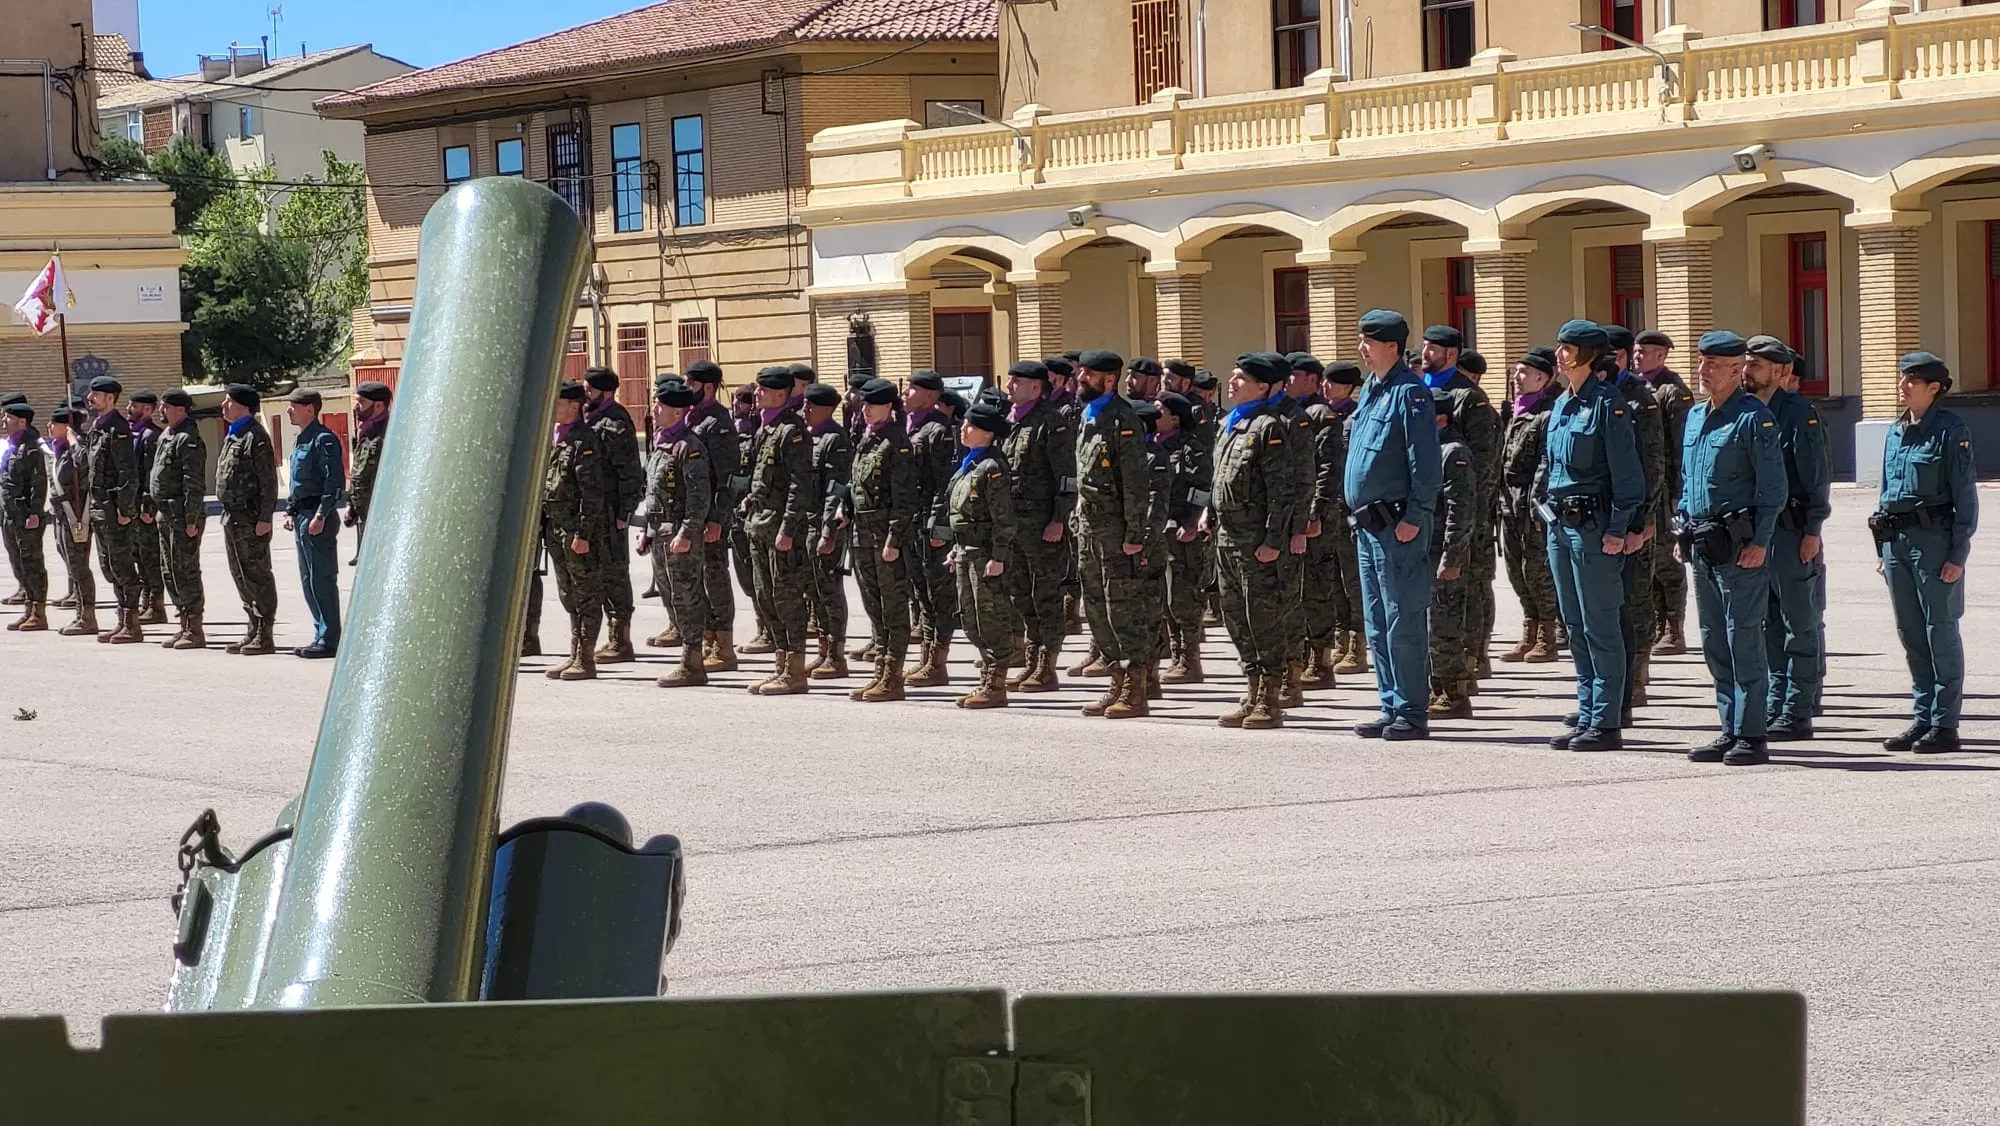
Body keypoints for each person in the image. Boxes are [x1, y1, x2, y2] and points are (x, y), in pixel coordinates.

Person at [1675, 331, 1784, 765]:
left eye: (1714, 365)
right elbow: (1689, 481)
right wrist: (1682, 531)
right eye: (1701, 362)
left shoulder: (1754, 418)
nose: (1704, 371)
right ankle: (1728, 727)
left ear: (1737, 369)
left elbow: (1773, 488)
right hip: (1703, 544)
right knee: (1713, 639)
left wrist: (1761, 541)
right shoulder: (1696, 417)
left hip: (1740, 547)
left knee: (1744, 640)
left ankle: (1752, 734)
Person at [1538, 323, 1645, 751]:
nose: (1560, 355)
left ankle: (1606, 719)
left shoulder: (1608, 404)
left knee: (1601, 623)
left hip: (1594, 526)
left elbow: (1628, 473)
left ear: (1587, 355)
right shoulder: (1562, 403)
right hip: (1560, 525)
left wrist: (1620, 528)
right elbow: (1550, 467)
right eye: (1559, 348)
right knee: (1575, 625)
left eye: (1568, 349)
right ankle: (1587, 710)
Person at [1873, 352, 1978, 754]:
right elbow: (1885, 495)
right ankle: (1923, 716)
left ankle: (1945, 724)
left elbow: (1965, 497)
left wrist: (1958, 554)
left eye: (1911, 381)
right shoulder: (1896, 431)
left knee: (1940, 631)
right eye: (1902, 380)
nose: (1903, 387)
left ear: (1934, 388)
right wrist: (1882, 548)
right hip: (1897, 543)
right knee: (1911, 633)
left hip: (1934, 543)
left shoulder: (1951, 430)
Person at [1347, 311, 1443, 740]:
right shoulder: (1371, 390)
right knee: (1376, 620)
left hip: (1396, 524)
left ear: (1392, 347)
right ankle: (1390, 703)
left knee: (1402, 617)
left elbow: (1424, 461)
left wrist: (1416, 516)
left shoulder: (1410, 394)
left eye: (1370, 341)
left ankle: (1411, 709)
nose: (1362, 348)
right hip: (1367, 526)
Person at [1742, 336, 1830, 740]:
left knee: (1801, 623)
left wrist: (1813, 530)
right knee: (1767, 624)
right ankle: (1777, 702)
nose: (1747, 371)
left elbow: (1815, 477)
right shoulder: (1744, 413)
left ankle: (1799, 709)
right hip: (1756, 533)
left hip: (1792, 532)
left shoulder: (1798, 414)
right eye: (1746, 364)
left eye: (1756, 365)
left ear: (1778, 372)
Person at [1208, 353, 1298, 729]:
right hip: (1227, 536)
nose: (1231, 383)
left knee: (1262, 617)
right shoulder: (1230, 424)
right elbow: (1218, 480)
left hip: (1256, 539)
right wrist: (1209, 515)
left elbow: (1282, 492)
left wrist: (1274, 539)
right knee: (1234, 616)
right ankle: (1252, 684)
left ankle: (1270, 695)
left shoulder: (1269, 427)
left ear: (1262, 387)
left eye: (1240, 378)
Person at [1071, 349, 1156, 715]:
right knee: (1097, 607)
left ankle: (1137, 686)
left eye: (1087, 375)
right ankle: (1116, 681)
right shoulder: (1089, 416)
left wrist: (1135, 533)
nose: (1079, 379)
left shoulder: (1122, 419)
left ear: (1109, 379)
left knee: (1122, 608)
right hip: (1089, 528)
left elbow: (1136, 484)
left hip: (1117, 530)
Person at [998, 359, 1076, 691]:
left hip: (1042, 523)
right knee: (1020, 594)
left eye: (1016, 381)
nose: (1009, 386)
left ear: (1035, 387)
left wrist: (1058, 518)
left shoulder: (1051, 423)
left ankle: (1047, 663)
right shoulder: (1009, 422)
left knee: (1045, 595)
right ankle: (1031, 657)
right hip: (1013, 524)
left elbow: (1066, 477)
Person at [740, 365, 817, 695]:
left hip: (781, 530)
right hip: (760, 524)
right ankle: (781, 665)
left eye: (763, 390)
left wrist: (787, 529)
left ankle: (795, 670)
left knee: (787, 599)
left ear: (781, 394)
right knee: (766, 595)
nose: (756, 394)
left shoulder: (791, 431)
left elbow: (800, 486)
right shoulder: (767, 428)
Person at [847, 378, 920, 701]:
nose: (865, 410)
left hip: (885, 536)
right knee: (873, 606)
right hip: (862, 533)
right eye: (863, 405)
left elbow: (904, 500)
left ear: (889, 407)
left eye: (872, 405)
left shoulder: (896, 444)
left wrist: (894, 538)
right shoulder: (867, 440)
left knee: (893, 608)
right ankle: (880, 670)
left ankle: (893, 674)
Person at [946, 399, 1022, 709]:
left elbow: (1003, 518)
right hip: (967, 550)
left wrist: (999, 556)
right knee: (971, 620)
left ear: (988, 433)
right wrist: (955, 548)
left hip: (986, 553)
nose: (963, 429)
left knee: (991, 618)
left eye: (971, 426)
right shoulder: (970, 465)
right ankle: (986, 679)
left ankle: (996, 683)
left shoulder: (992, 467)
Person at [638, 377, 713, 689]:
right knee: (670, 596)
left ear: (678, 412)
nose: (655, 409)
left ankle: (693, 660)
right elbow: (652, 492)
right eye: (656, 403)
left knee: (687, 597)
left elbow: (699, 497)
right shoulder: (661, 444)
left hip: (680, 536)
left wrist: (687, 532)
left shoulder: (689, 447)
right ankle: (687, 656)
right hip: (660, 533)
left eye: (661, 405)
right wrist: (645, 530)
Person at [576, 368, 644, 664]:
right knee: (598, 572)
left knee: (615, 572)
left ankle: (620, 639)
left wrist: (625, 510)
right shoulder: (590, 419)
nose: (585, 395)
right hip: (595, 509)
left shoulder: (615, 422)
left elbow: (629, 471)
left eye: (590, 390)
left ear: (605, 392)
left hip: (612, 509)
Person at [1284, 352, 1343, 690]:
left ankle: (1320, 661)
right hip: (1292, 514)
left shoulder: (1322, 416)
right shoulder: (1290, 413)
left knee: (1316, 588)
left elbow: (1326, 469)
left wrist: (1314, 513)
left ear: (1311, 379)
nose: (1289, 381)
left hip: (1315, 516)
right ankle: (1301, 655)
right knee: (1296, 589)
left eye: (1294, 375)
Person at [1497, 349, 1561, 664]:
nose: (1517, 378)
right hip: (1508, 501)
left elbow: (1546, 464)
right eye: (1516, 371)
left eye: (1524, 373)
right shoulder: (1513, 411)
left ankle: (1549, 635)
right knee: (1514, 569)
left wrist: (1537, 503)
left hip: (1530, 503)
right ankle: (1530, 629)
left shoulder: (1546, 415)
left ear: (1543, 378)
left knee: (1536, 569)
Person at [1636, 330, 1695, 655]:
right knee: (1650, 561)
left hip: (1666, 488)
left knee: (1667, 560)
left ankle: (1674, 628)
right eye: (1636, 350)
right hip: (1646, 487)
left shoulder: (1673, 392)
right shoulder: (1637, 388)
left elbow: (1681, 444)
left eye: (1644, 351)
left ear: (1661, 355)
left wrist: (1678, 491)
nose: (1637, 356)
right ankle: (1660, 626)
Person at [683, 360, 745, 668]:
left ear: (708, 387)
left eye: (691, 384)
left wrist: (718, 518)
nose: (686, 389)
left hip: (712, 517)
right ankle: (707, 638)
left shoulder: (718, 422)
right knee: (699, 579)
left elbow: (727, 477)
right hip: (695, 516)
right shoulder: (692, 419)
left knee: (716, 578)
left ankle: (723, 644)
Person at [902, 371, 961, 686]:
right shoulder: (912, 428)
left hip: (930, 522)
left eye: (912, 389)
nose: (906, 394)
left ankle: (938, 661)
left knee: (938, 595)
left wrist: (939, 527)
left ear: (930, 395)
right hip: (912, 521)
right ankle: (926, 655)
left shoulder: (939, 431)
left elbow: (945, 485)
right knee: (921, 594)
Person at [283, 388, 346, 659]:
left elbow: (334, 483)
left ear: (310, 409)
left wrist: (321, 514)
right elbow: (297, 483)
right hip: (301, 516)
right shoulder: (301, 440)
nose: (289, 411)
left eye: (294, 406)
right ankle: (319, 632)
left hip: (316, 516)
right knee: (308, 580)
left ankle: (329, 637)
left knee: (322, 578)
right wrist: (289, 510)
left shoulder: (324, 440)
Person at [216, 385, 279, 655]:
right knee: (240, 575)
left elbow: (268, 481)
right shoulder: (234, 436)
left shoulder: (255, 437)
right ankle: (252, 628)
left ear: (243, 406)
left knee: (257, 574)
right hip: (232, 517)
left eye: (229, 402)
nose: (224, 406)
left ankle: (265, 634)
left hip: (251, 518)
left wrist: (265, 517)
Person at [1427, 390, 1478, 720]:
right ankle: (1436, 687)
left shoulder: (1453, 452)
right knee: (1430, 623)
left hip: (1443, 551)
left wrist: (1452, 556)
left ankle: (1455, 692)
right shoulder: (1427, 449)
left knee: (1445, 624)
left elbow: (1460, 511)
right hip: (1424, 549)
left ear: (1440, 418)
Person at [1156, 390, 1212, 685]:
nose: (1154, 416)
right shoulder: (1151, 447)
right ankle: (1174, 653)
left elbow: (1202, 487)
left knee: (1184, 595)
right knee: (1165, 598)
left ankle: (1189, 658)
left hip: (1181, 530)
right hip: (1159, 530)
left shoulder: (1190, 447)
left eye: (1159, 411)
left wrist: (1192, 522)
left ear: (1174, 419)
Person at [83, 376, 144, 643]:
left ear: (110, 398)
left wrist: (125, 509)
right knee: (109, 566)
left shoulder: (117, 429)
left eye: (95, 395)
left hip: (113, 509)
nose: (90, 399)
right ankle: (122, 620)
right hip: (98, 508)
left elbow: (128, 474)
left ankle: (132, 623)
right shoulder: (97, 427)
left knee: (122, 566)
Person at [801, 381, 853, 679]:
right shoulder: (809, 438)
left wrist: (828, 531)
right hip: (806, 523)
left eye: (811, 406)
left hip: (824, 525)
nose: (805, 410)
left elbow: (836, 490)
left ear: (825, 409)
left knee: (829, 590)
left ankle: (836, 654)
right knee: (814, 591)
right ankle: (822, 650)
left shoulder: (835, 439)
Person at [1319, 361, 1367, 674]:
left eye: (1333, 383)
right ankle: (1340, 640)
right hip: (1327, 510)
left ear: (1348, 388)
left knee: (1353, 581)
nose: (1326, 387)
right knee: (1332, 580)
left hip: (1348, 510)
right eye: (1324, 382)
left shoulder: (1356, 417)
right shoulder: (1323, 418)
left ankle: (1358, 645)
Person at [151, 389, 208, 649]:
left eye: (166, 407)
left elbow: (193, 482)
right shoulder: (167, 435)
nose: (161, 411)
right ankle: (183, 623)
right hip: (165, 512)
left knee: (185, 570)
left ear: (180, 410)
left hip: (182, 514)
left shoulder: (188, 438)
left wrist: (192, 519)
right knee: (169, 570)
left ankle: (194, 628)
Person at [0, 402, 48, 632]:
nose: (3, 422)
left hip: (26, 516)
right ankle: (28, 608)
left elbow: (38, 485)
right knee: (19, 562)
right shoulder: (13, 446)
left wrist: (34, 513)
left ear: (22, 422)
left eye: (7, 418)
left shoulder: (30, 448)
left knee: (33, 564)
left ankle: (39, 612)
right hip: (11, 515)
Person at [730, 381, 769, 654]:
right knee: (745, 574)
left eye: (742, 401)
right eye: (736, 400)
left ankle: (768, 628)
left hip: (755, 512)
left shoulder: (759, 434)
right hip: (736, 513)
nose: (737, 406)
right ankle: (761, 623)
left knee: (760, 576)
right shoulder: (734, 434)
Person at [126, 390, 168, 625]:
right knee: (138, 555)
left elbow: (151, 475)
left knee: (150, 556)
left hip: (144, 506)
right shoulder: (134, 434)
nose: (129, 409)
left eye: (134, 406)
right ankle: (146, 600)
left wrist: (147, 506)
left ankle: (156, 604)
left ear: (148, 410)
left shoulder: (152, 436)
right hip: (131, 506)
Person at [344, 380, 392, 564]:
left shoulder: (389, 432)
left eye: (361, 402)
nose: (357, 407)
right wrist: (351, 503)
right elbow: (358, 472)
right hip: (364, 516)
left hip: (381, 518)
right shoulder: (365, 432)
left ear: (378, 405)